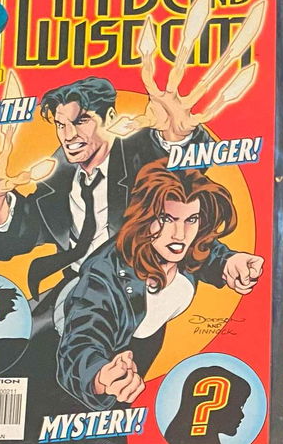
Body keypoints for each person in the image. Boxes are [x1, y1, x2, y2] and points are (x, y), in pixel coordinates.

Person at [0, 76, 214, 297]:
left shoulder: (139, 153)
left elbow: (180, 172)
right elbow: (23, 236)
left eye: (81, 121)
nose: (69, 135)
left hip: (140, 290)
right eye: (61, 125)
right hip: (78, 289)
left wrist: (180, 137)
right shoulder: (58, 175)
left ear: (110, 118)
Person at [57, 161, 262, 413]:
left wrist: (229, 261)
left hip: (138, 363)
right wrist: (98, 377)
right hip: (82, 380)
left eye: (191, 219)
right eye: (167, 219)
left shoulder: (180, 246)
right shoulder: (104, 275)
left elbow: (204, 251)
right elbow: (82, 338)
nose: (180, 234)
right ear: (145, 217)